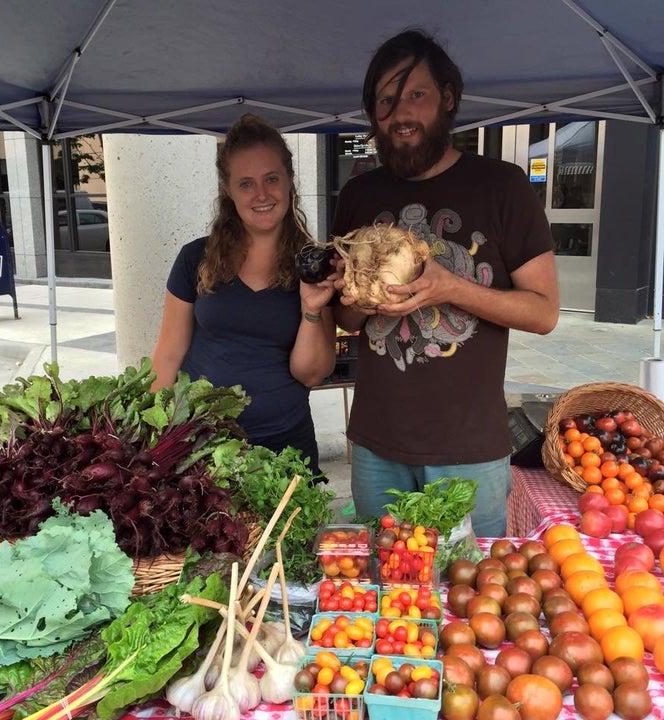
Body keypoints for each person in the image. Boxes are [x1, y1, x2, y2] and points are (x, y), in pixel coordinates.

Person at [332, 30, 560, 536]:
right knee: (382, 596)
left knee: (467, 602)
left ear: (449, 98)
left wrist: (451, 288)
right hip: (376, 446)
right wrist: (361, 299)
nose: (401, 114)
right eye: (386, 102)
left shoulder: (503, 187)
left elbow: (544, 312)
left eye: (416, 94)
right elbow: (343, 318)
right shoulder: (358, 194)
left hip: (468, 450)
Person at [151, 113, 337, 476]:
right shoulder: (195, 258)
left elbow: (312, 374)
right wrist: (151, 438)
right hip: (201, 447)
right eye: (246, 184)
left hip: (285, 451)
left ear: (289, 180)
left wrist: (312, 310)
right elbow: (168, 355)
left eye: (271, 179)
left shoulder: (315, 264)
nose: (262, 195)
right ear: (227, 189)